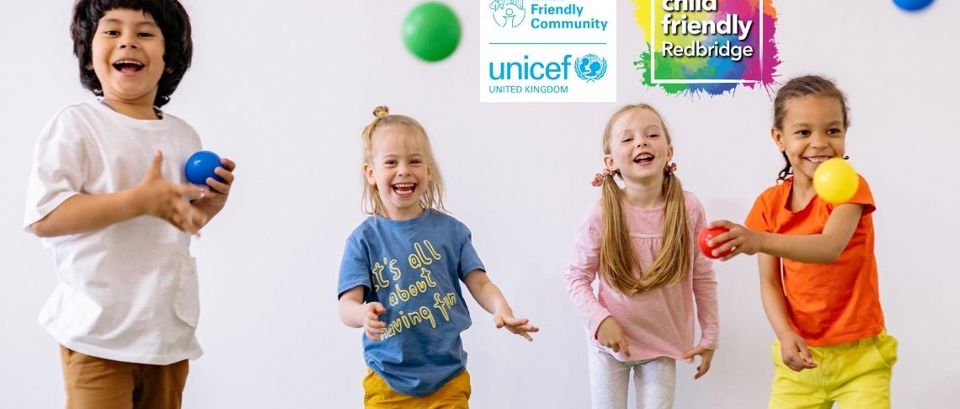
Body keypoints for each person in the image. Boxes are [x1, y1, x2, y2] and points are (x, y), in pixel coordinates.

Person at [23, 1, 236, 407]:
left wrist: (205, 209)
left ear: (169, 57)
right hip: (98, 333)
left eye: (144, 33)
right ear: (89, 51)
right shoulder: (77, 125)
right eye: (112, 31)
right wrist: (137, 201)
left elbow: (176, 221)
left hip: (165, 336)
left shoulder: (184, 137)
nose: (127, 42)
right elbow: (45, 216)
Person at [707, 75, 897, 408]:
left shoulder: (850, 187)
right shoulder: (768, 204)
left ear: (845, 134)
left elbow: (829, 247)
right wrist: (784, 334)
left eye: (833, 130)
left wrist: (758, 240)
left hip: (862, 359)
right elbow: (770, 283)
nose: (820, 143)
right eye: (804, 132)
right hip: (799, 358)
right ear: (779, 138)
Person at [337, 106, 538, 408]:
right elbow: (346, 304)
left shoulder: (452, 232)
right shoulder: (363, 240)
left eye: (414, 161)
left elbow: (479, 282)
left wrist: (501, 307)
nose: (404, 170)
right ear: (371, 174)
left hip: (448, 379)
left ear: (429, 171)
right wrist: (361, 315)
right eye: (391, 162)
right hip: (388, 381)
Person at [564, 104, 719, 409]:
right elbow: (576, 276)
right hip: (608, 345)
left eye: (652, 134)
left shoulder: (688, 209)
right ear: (610, 162)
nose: (641, 142)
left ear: (669, 151)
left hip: (663, 344)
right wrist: (600, 320)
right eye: (627, 139)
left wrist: (710, 335)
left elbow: (703, 275)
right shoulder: (604, 212)